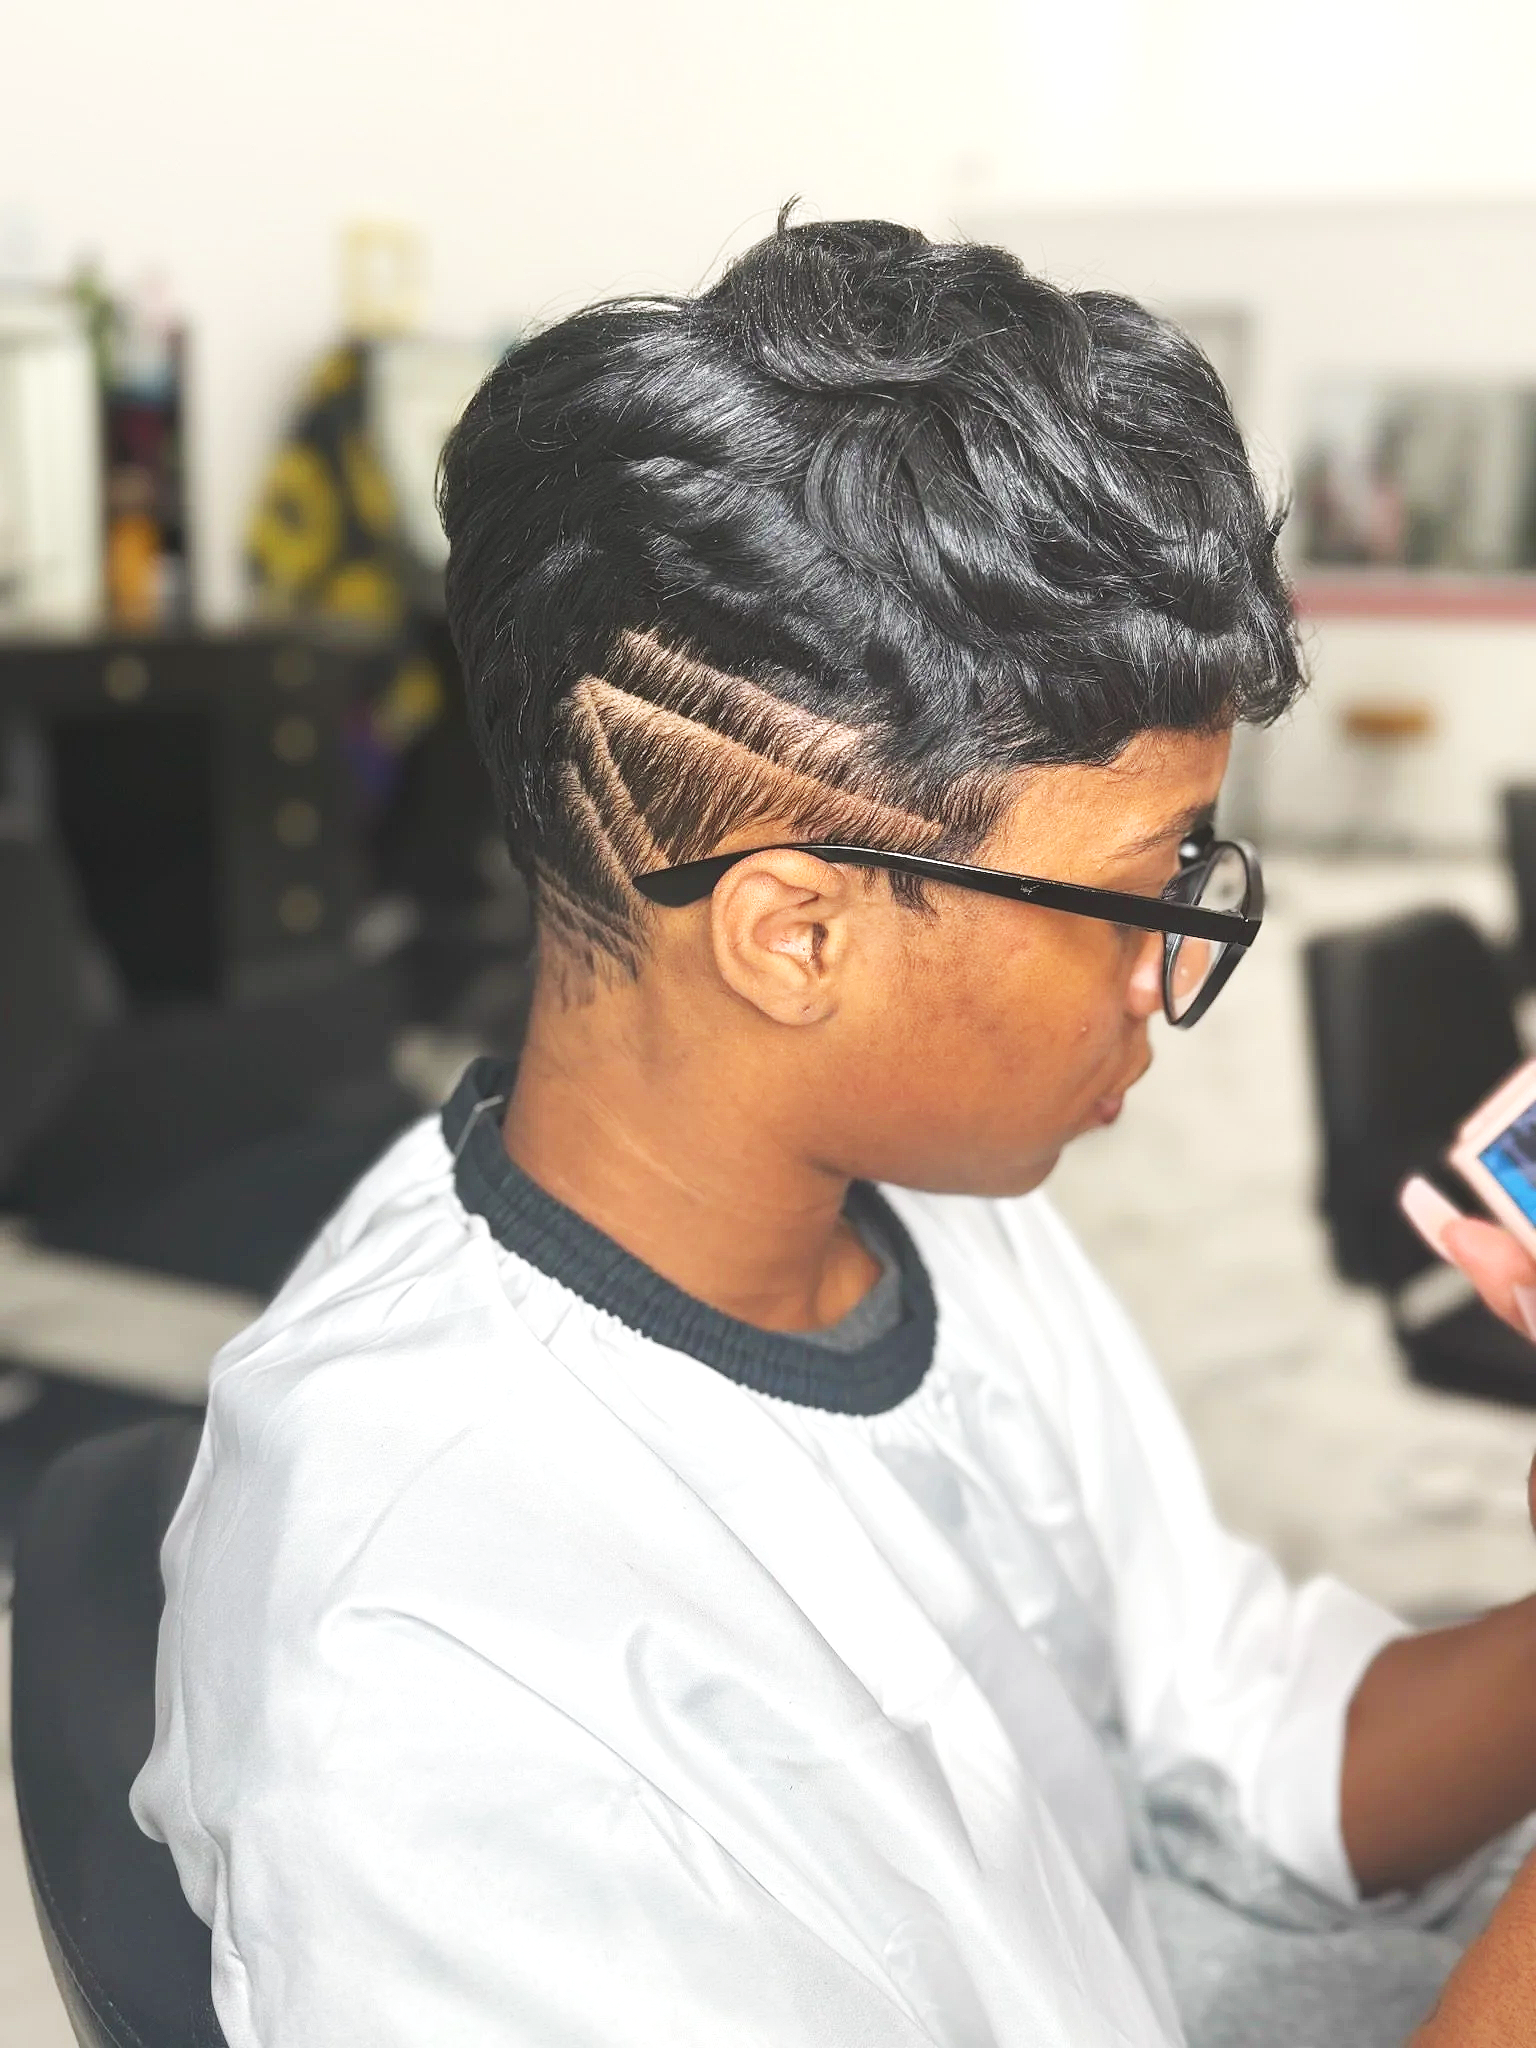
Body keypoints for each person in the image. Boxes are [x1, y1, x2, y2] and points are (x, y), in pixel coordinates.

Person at [133, 213, 1536, 2047]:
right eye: (1140, 893)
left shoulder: (938, 1210)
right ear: (797, 933)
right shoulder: (435, 1676)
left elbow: (1243, 1738)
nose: (1168, 973)